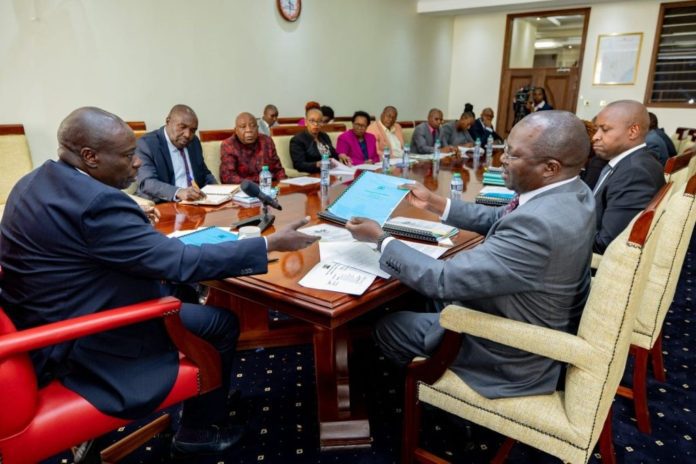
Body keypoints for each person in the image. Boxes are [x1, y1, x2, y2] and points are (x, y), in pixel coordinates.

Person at [0, 107, 320, 458]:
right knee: (219, 323)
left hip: (39, 323)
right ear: (90, 157)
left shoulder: (34, 181)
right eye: (126, 156)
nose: (137, 163)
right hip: (83, 341)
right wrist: (267, 244)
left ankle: (212, 396)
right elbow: (179, 262)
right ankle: (198, 430)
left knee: (179, 291)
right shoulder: (98, 203)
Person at [345, 110, 596, 399]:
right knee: (417, 296)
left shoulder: (539, 225)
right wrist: (435, 203)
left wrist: (380, 239)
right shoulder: (574, 191)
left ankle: (425, 398)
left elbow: (442, 279)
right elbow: (501, 215)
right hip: (530, 308)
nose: (502, 158)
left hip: (510, 352)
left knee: (389, 325)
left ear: (550, 167)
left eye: (513, 155)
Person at [591, 100, 665, 254]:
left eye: (604, 130)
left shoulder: (635, 173)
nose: (595, 137)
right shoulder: (634, 162)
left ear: (633, 131)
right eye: (596, 129)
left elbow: (606, 244)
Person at [135, 104, 217, 202]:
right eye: (182, 127)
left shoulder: (194, 142)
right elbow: (147, 182)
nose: (187, 135)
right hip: (162, 204)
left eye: (192, 130)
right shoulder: (147, 144)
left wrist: (220, 189)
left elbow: (204, 173)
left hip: (195, 204)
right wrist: (178, 192)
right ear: (168, 121)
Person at [220, 112, 287, 184]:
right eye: (243, 127)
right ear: (236, 131)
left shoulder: (267, 141)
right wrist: (261, 180)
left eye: (253, 126)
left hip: (269, 187)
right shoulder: (229, 145)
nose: (249, 130)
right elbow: (228, 177)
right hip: (243, 190)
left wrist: (285, 185)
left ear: (258, 128)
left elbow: (278, 170)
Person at [290, 107, 350, 172]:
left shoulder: (324, 136)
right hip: (312, 174)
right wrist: (317, 164)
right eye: (312, 121)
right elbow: (299, 164)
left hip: (330, 171)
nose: (316, 124)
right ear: (306, 122)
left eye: (319, 121)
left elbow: (333, 153)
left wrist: (340, 155)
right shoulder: (297, 140)